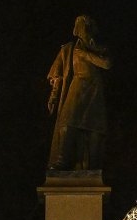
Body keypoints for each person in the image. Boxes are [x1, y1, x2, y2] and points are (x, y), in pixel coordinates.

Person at [46, 15, 112, 171]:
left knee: (95, 127)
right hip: (77, 86)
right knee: (68, 121)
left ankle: (93, 166)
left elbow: (107, 64)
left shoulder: (99, 48)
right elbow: (57, 75)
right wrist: (54, 96)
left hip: (94, 90)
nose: (84, 30)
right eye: (81, 26)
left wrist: (85, 54)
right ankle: (62, 160)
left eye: (86, 26)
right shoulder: (68, 49)